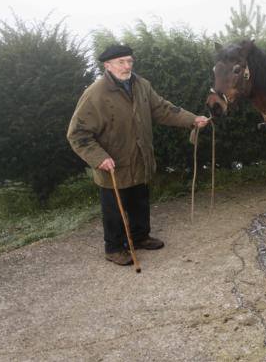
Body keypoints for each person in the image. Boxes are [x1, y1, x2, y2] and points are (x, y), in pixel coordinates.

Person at [67, 44, 210, 265]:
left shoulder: (142, 85)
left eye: (130, 61)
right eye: (121, 62)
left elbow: (163, 109)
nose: (127, 66)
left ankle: (140, 236)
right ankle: (114, 248)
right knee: (114, 209)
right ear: (108, 65)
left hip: (140, 158)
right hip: (113, 164)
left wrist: (192, 119)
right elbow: (77, 134)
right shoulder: (95, 94)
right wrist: (99, 158)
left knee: (140, 202)